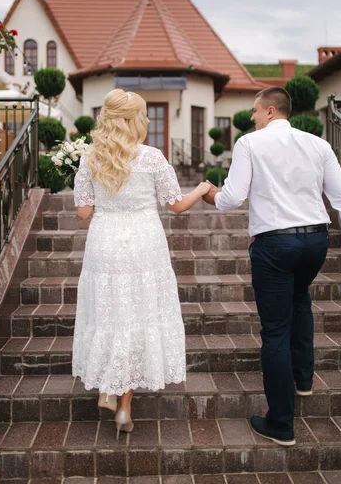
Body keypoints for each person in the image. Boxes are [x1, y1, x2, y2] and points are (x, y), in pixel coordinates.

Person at [203, 86, 341, 447]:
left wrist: (210, 193)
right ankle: (303, 379)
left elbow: (231, 198)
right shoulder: (319, 145)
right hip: (315, 241)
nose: (252, 117)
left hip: (275, 245)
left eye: (255, 111)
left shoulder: (249, 144)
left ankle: (281, 423)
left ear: (271, 110)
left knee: (274, 330)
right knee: (300, 297)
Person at [72, 89, 211, 439]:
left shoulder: (90, 157)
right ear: (132, 120)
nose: (149, 120)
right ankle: (125, 406)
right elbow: (175, 205)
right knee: (139, 315)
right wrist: (203, 188)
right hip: (144, 244)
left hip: (104, 243)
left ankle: (109, 384)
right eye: (145, 115)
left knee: (109, 313)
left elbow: (84, 213)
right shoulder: (152, 158)